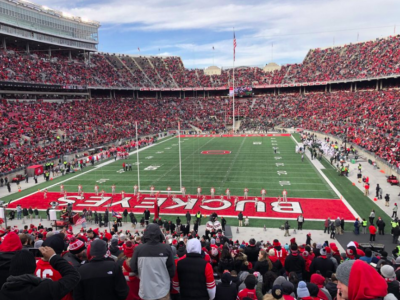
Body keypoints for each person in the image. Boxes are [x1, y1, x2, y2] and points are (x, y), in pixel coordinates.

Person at [0, 246, 80, 300]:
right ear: (33, 268)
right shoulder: (44, 290)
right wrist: (53, 257)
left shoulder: (4, 291)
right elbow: (74, 276)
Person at [130, 223, 175, 300]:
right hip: (162, 289)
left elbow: (133, 267)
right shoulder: (166, 248)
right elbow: (172, 271)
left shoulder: (139, 249)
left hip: (146, 290)